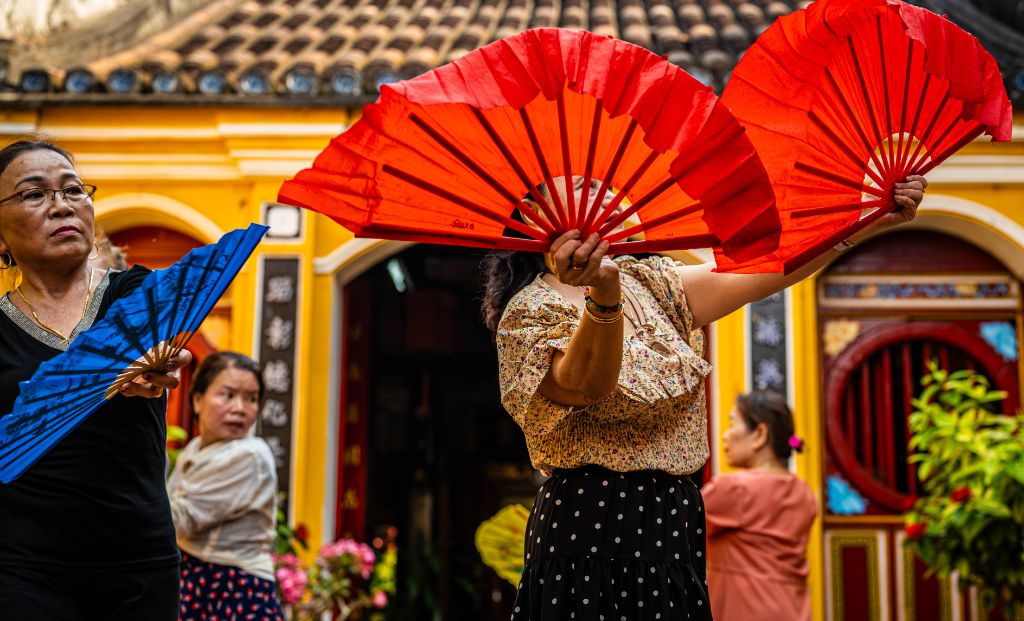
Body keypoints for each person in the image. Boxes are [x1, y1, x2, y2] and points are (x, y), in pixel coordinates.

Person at [483, 174, 926, 619]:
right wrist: (604, 293)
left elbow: (768, 267)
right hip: (591, 522)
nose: (602, 190)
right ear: (537, 212)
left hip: (672, 519)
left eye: (601, 182)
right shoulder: (529, 310)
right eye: (581, 185)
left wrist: (865, 220)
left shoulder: (652, 283)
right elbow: (587, 386)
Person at [0, 138, 191, 620]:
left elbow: (168, 349)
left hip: (138, 562)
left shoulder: (137, 293)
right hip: (23, 566)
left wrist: (160, 364)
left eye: (73, 190)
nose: (61, 204)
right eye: (33, 194)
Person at [166, 351, 284, 621]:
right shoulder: (195, 448)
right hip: (203, 581)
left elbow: (178, 522)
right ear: (198, 400)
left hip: (234, 587)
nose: (240, 408)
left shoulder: (248, 455)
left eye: (251, 398)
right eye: (228, 395)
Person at [702, 391, 817, 621]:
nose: (725, 435)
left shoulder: (735, 489)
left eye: (732, 423)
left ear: (760, 434)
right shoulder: (805, 494)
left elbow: (674, 527)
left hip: (744, 610)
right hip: (794, 610)